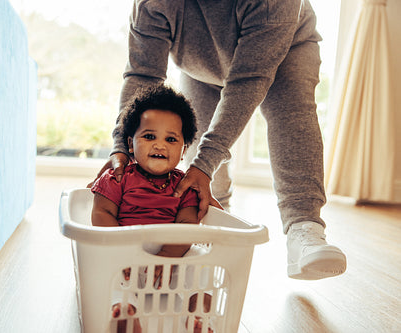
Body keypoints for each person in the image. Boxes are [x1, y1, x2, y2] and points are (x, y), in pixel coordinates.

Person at [92, 0, 346, 281]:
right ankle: (216, 225)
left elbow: (248, 80)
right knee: (199, 163)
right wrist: (120, 146)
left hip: (284, 49)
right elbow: (143, 75)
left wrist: (205, 163)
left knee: (291, 111)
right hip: (197, 63)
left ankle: (304, 227)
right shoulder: (155, 3)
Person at [91, 85, 212, 333]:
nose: (159, 146)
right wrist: (121, 252)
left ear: (184, 150)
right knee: (107, 270)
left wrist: (168, 256)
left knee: (199, 261)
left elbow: (188, 226)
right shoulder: (119, 177)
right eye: (149, 137)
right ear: (130, 144)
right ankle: (125, 310)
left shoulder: (185, 185)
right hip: (125, 255)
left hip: (171, 258)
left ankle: (197, 312)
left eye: (171, 139)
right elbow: (102, 213)